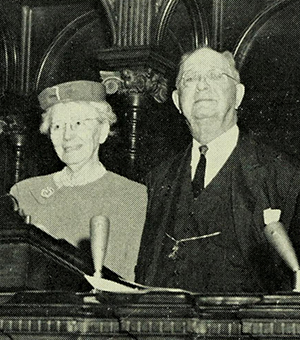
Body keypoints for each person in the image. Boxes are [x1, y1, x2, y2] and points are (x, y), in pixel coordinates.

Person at [135, 47, 300, 293]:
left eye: (215, 75)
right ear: (178, 101)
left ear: (238, 95)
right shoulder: (155, 180)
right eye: (190, 79)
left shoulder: (284, 175)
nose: (202, 86)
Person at [10, 80, 147, 281]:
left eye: (78, 123)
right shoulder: (23, 194)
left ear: (102, 131)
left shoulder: (134, 197)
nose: (67, 136)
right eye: (57, 126)